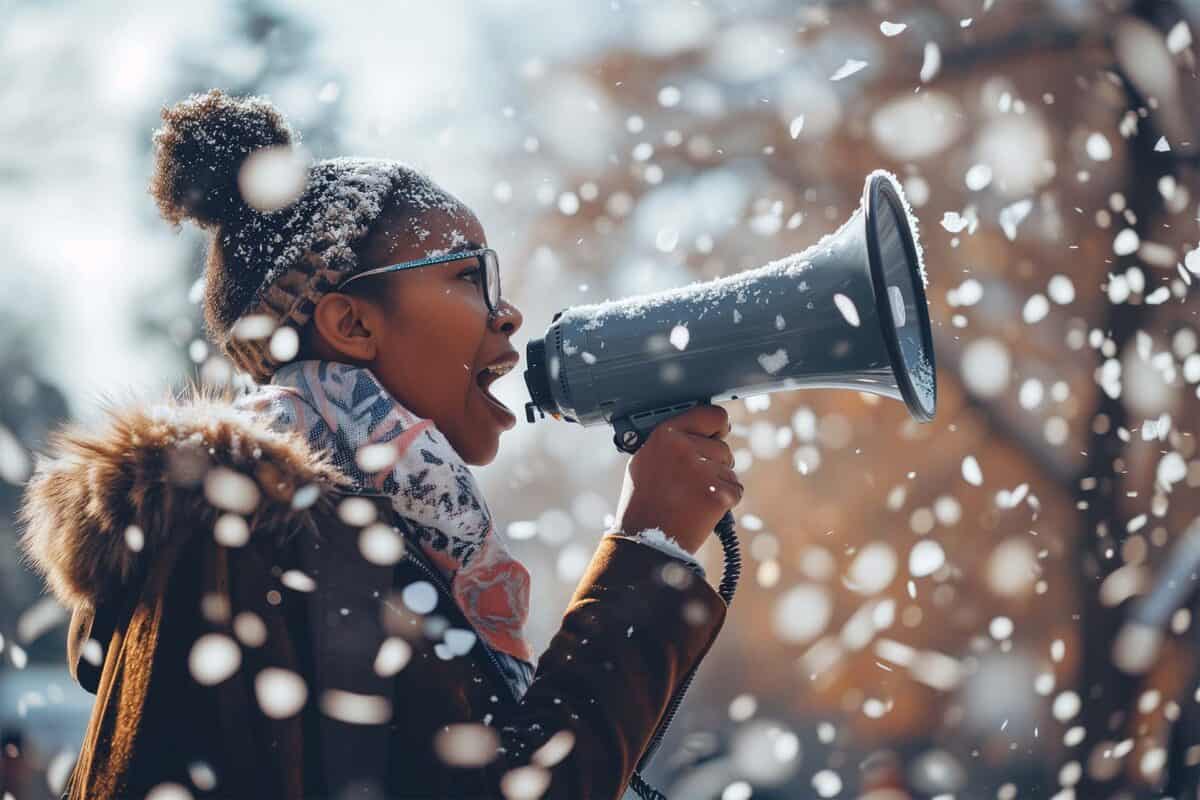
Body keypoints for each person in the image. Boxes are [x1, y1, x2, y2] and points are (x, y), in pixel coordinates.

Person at [18, 89, 743, 799]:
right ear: (354, 325)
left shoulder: (313, 535)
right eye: (470, 275)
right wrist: (649, 549)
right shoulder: (274, 540)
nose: (509, 313)